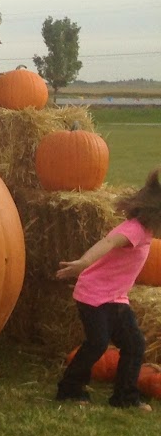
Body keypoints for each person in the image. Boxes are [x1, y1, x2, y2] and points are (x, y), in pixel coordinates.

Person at [54, 169, 161, 410]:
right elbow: (109, 242)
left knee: (134, 344)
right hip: (93, 296)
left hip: (115, 298)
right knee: (98, 343)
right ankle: (69, 389)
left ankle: (125, 398)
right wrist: (83, 262)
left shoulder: (147, 230)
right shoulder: (133, 230)